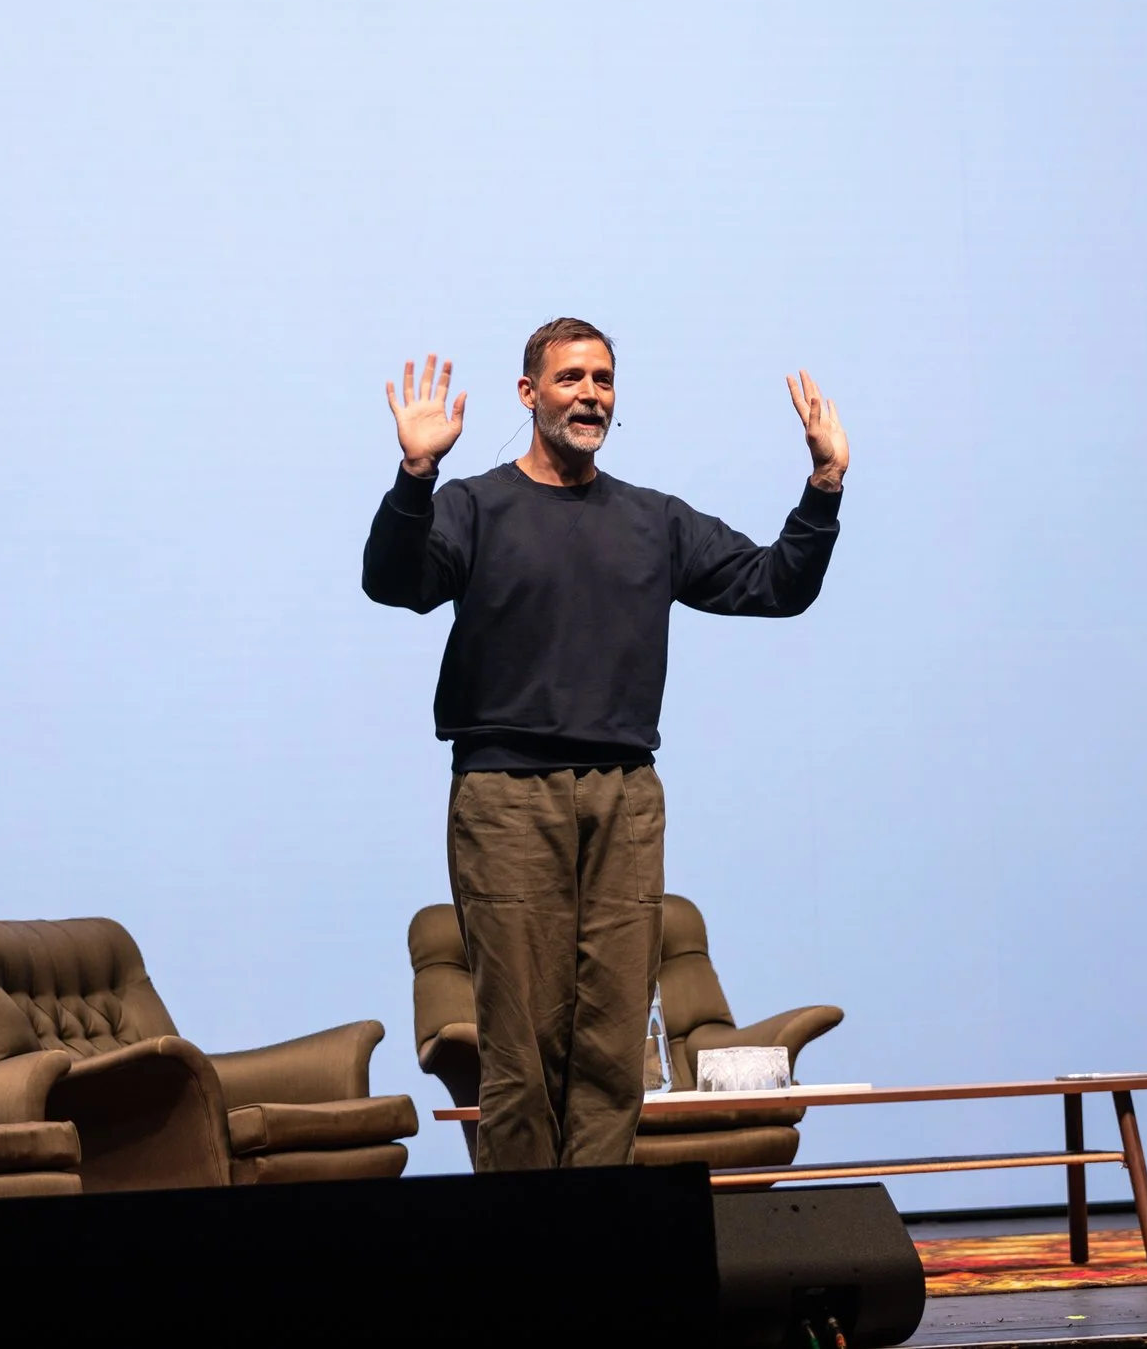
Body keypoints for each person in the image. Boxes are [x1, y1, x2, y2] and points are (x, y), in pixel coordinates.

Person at [362, 317, 848, 1170]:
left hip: (625, 798)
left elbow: (775, 585)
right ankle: (529, 1272)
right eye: (571, 378)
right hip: (508, 797)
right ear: (529, 394)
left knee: (613, 1056)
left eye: (604, 380)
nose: (590, 394)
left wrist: (824, 484)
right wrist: (415, 474)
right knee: (521, 1055)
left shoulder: (652, 520)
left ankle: (600, 1269)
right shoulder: (474, 506)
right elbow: (394, 581)